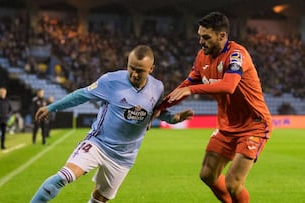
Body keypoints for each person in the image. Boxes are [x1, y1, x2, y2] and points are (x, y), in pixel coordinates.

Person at [30, 45, 194, 203]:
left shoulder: (157, 87)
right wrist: (52, 107)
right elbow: (81, 95)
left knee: (100, 199)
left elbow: (155, 111)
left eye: (140, 71)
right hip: (98, 144)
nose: (134, 74)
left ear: (151, 69)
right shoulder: (111, 80)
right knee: (63, 177)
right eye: (132, 68)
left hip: (124, 157)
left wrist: (174, 118)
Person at [157, 12, 273, 203]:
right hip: (227, 125)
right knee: (207, 174)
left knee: (232, 184)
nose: (201, 42)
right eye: (200, 36)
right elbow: (184, 87)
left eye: (206, 37)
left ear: (222, 36)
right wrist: (159, 108)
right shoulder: (202, 56)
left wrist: (192, 90)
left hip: (254, 125)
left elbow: (228, 86)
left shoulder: (237, 55)